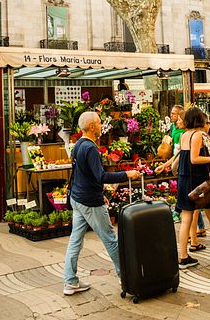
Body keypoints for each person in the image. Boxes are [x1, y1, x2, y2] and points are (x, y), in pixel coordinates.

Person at [64, 112, 139, 295]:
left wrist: (100, 193)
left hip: (78, 198)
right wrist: (126, 174)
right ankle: (127, 278)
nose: (101, 126)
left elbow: (83, 175)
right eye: (98, 123)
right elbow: (101, 176)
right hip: (89, 201)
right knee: (111, 240)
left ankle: (70, 281)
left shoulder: (78, 145)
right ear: (91, 127)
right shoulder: (90, 148)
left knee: (75, 240)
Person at [176, 107, 210, 268]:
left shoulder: (184, 135)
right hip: (197, 183)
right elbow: (194, 159)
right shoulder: (198, 135)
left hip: (184, 180)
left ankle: (183, 256)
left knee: (186, 219)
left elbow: (181, 157)